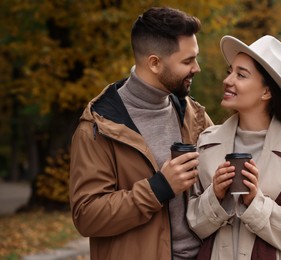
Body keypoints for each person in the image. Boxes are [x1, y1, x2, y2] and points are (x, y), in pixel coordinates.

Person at [69, 7, 213, 260]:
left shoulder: (195, 116)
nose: (196, 68)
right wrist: (159, 187)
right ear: (155, 63)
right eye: (187, 61)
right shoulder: (97, 128)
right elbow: (87, 216)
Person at [187, 35, 281, 260]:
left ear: (266, 92)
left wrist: (255, 203)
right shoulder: (205, 143)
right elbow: (190, 224)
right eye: (229, 71)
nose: (228, 80)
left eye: (240, 75)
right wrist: (215, 197)